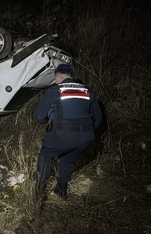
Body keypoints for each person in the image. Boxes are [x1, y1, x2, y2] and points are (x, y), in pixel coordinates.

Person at [34, 64, 102, 200]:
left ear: (57, 78)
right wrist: (86, 132)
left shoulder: (56, 90)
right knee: (67, 159)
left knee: (46, 154)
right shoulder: (88, 91)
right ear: (71, 76)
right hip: (86, 137)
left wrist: (49, 122)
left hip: (63, 134)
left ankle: (39, 192)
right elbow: (98, 117)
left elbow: (39, 116)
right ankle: (61, 190)